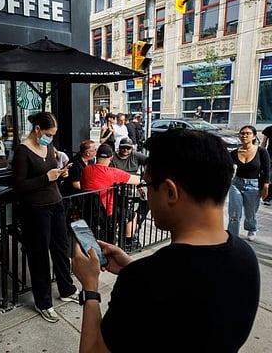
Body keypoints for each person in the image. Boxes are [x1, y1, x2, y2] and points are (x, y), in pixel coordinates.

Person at [72, 129, 260, 352]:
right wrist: (132, 268)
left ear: (170, 192)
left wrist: (90, 288)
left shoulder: (143, 281)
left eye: (148, 186)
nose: (148, 196)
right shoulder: (246, 258)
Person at [12, 112, 79, 323]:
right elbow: (19, 185)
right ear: (38, 129)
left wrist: (60, 174)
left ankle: (66, 289)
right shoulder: (22, 151)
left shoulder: (49, 147)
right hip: (35, 209)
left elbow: (52, 170)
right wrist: (46, 178)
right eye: (49, 133)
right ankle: (44, 302)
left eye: (53, 134)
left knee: (60, 249)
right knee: (39, 255)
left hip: (55, 203)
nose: (51, 137)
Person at [81, 144, 140, 248]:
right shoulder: (113, 172)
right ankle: (128, 242)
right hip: (106, 212)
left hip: (88, 210)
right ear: (111, 158)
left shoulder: (86, 169)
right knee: (131, 215)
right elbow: (136, 180)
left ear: (96, 156)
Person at [228, 125, 270, 241]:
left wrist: (266, 186)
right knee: (234, 212)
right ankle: (233, 236)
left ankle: (252, 228)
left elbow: (266, 169)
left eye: (248, 133)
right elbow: (228, 169)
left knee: (250, 213)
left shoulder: (261, 151)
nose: (245, 136)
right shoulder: (234, 153)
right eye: (242, 133)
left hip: (254, 185)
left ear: (254, 136)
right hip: (236, 184)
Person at [260, 124, 272, 205]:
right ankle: (268, 197)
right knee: (269, 176)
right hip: (270, 156)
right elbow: (263, 143)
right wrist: (261, 154)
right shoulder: (269, 129)